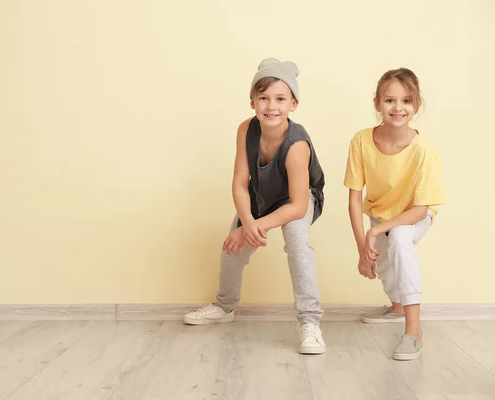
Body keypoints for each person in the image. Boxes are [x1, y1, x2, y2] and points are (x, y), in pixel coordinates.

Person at [183, 58, 326, 354]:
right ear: (252, 102)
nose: (271, 106)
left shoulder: (297, 144)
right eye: (263, 98)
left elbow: (298, 206)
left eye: (280, 99)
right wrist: (246, 224)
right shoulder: (246, 129)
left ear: (293, 104)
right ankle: (224, 307)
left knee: (297, 241)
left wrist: (254, 226)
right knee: (232, 246)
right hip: (263, 192)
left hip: (296, 199)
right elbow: (239, 182)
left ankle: (310, 322)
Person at [344, 68, 448, 360]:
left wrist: (375, 232)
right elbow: (353, 199)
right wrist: (362, 248)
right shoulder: (361, 141)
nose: (398, 108)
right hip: (381, 214)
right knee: (386, 266)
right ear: (377, 103)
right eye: (390, 100)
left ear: (416, 105)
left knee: (400, 239)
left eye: (406, 101)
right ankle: (397, 306)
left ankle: (413, 331)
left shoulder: (423, 150)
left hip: (413, 216)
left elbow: (421, 209)